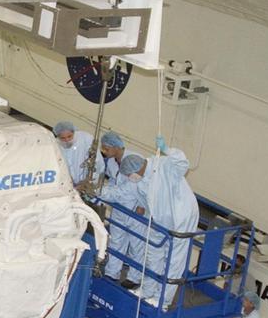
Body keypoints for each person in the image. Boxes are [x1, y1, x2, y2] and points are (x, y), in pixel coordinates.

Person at [133, 148, 199, 304]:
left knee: (174, 260)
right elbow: (148, 203)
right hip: (160, 219)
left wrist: (167, 149)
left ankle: (162, 301)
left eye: (132, 173)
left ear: (140, 167)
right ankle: (147, 290)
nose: (132, 177)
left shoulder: (164, 164)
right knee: (153, 253)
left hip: (181, 217)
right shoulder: (142, 180)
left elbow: (182, 163)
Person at [99, 152, 145, 282]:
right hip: (121, 214)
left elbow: (118, 194)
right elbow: (116, 189)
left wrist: (97, 190)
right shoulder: (128, 177)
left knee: (137, 247)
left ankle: (134, 278)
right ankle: (112, 272)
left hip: (137, 218)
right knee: (116, 243)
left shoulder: (140, 180)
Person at [53, 120, 95, 185]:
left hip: (86, 182)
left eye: (69, 136)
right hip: (68, 184)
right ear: (58, 137)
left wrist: (88, 180)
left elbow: (97, 162)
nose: (67, 140)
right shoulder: (55, 145)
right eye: (63, 138)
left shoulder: (85, 139)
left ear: (74, 132)